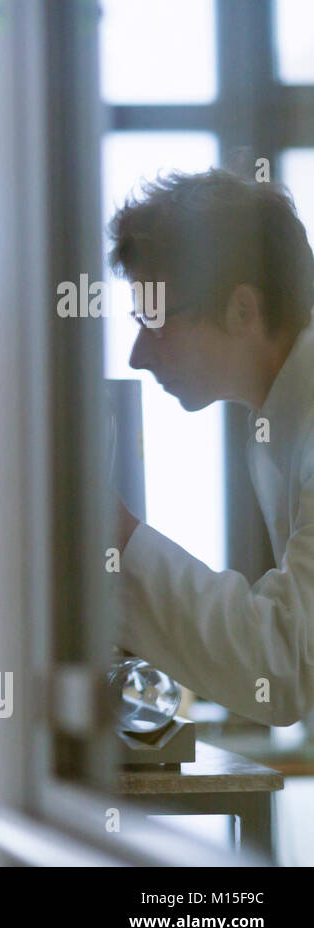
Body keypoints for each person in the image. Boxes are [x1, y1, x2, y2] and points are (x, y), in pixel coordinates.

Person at [109, 167, 314, 727]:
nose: (137, 355)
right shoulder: (279, 424)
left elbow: (286, 665)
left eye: (154, 320)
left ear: (242, 310)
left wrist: (120, 543)